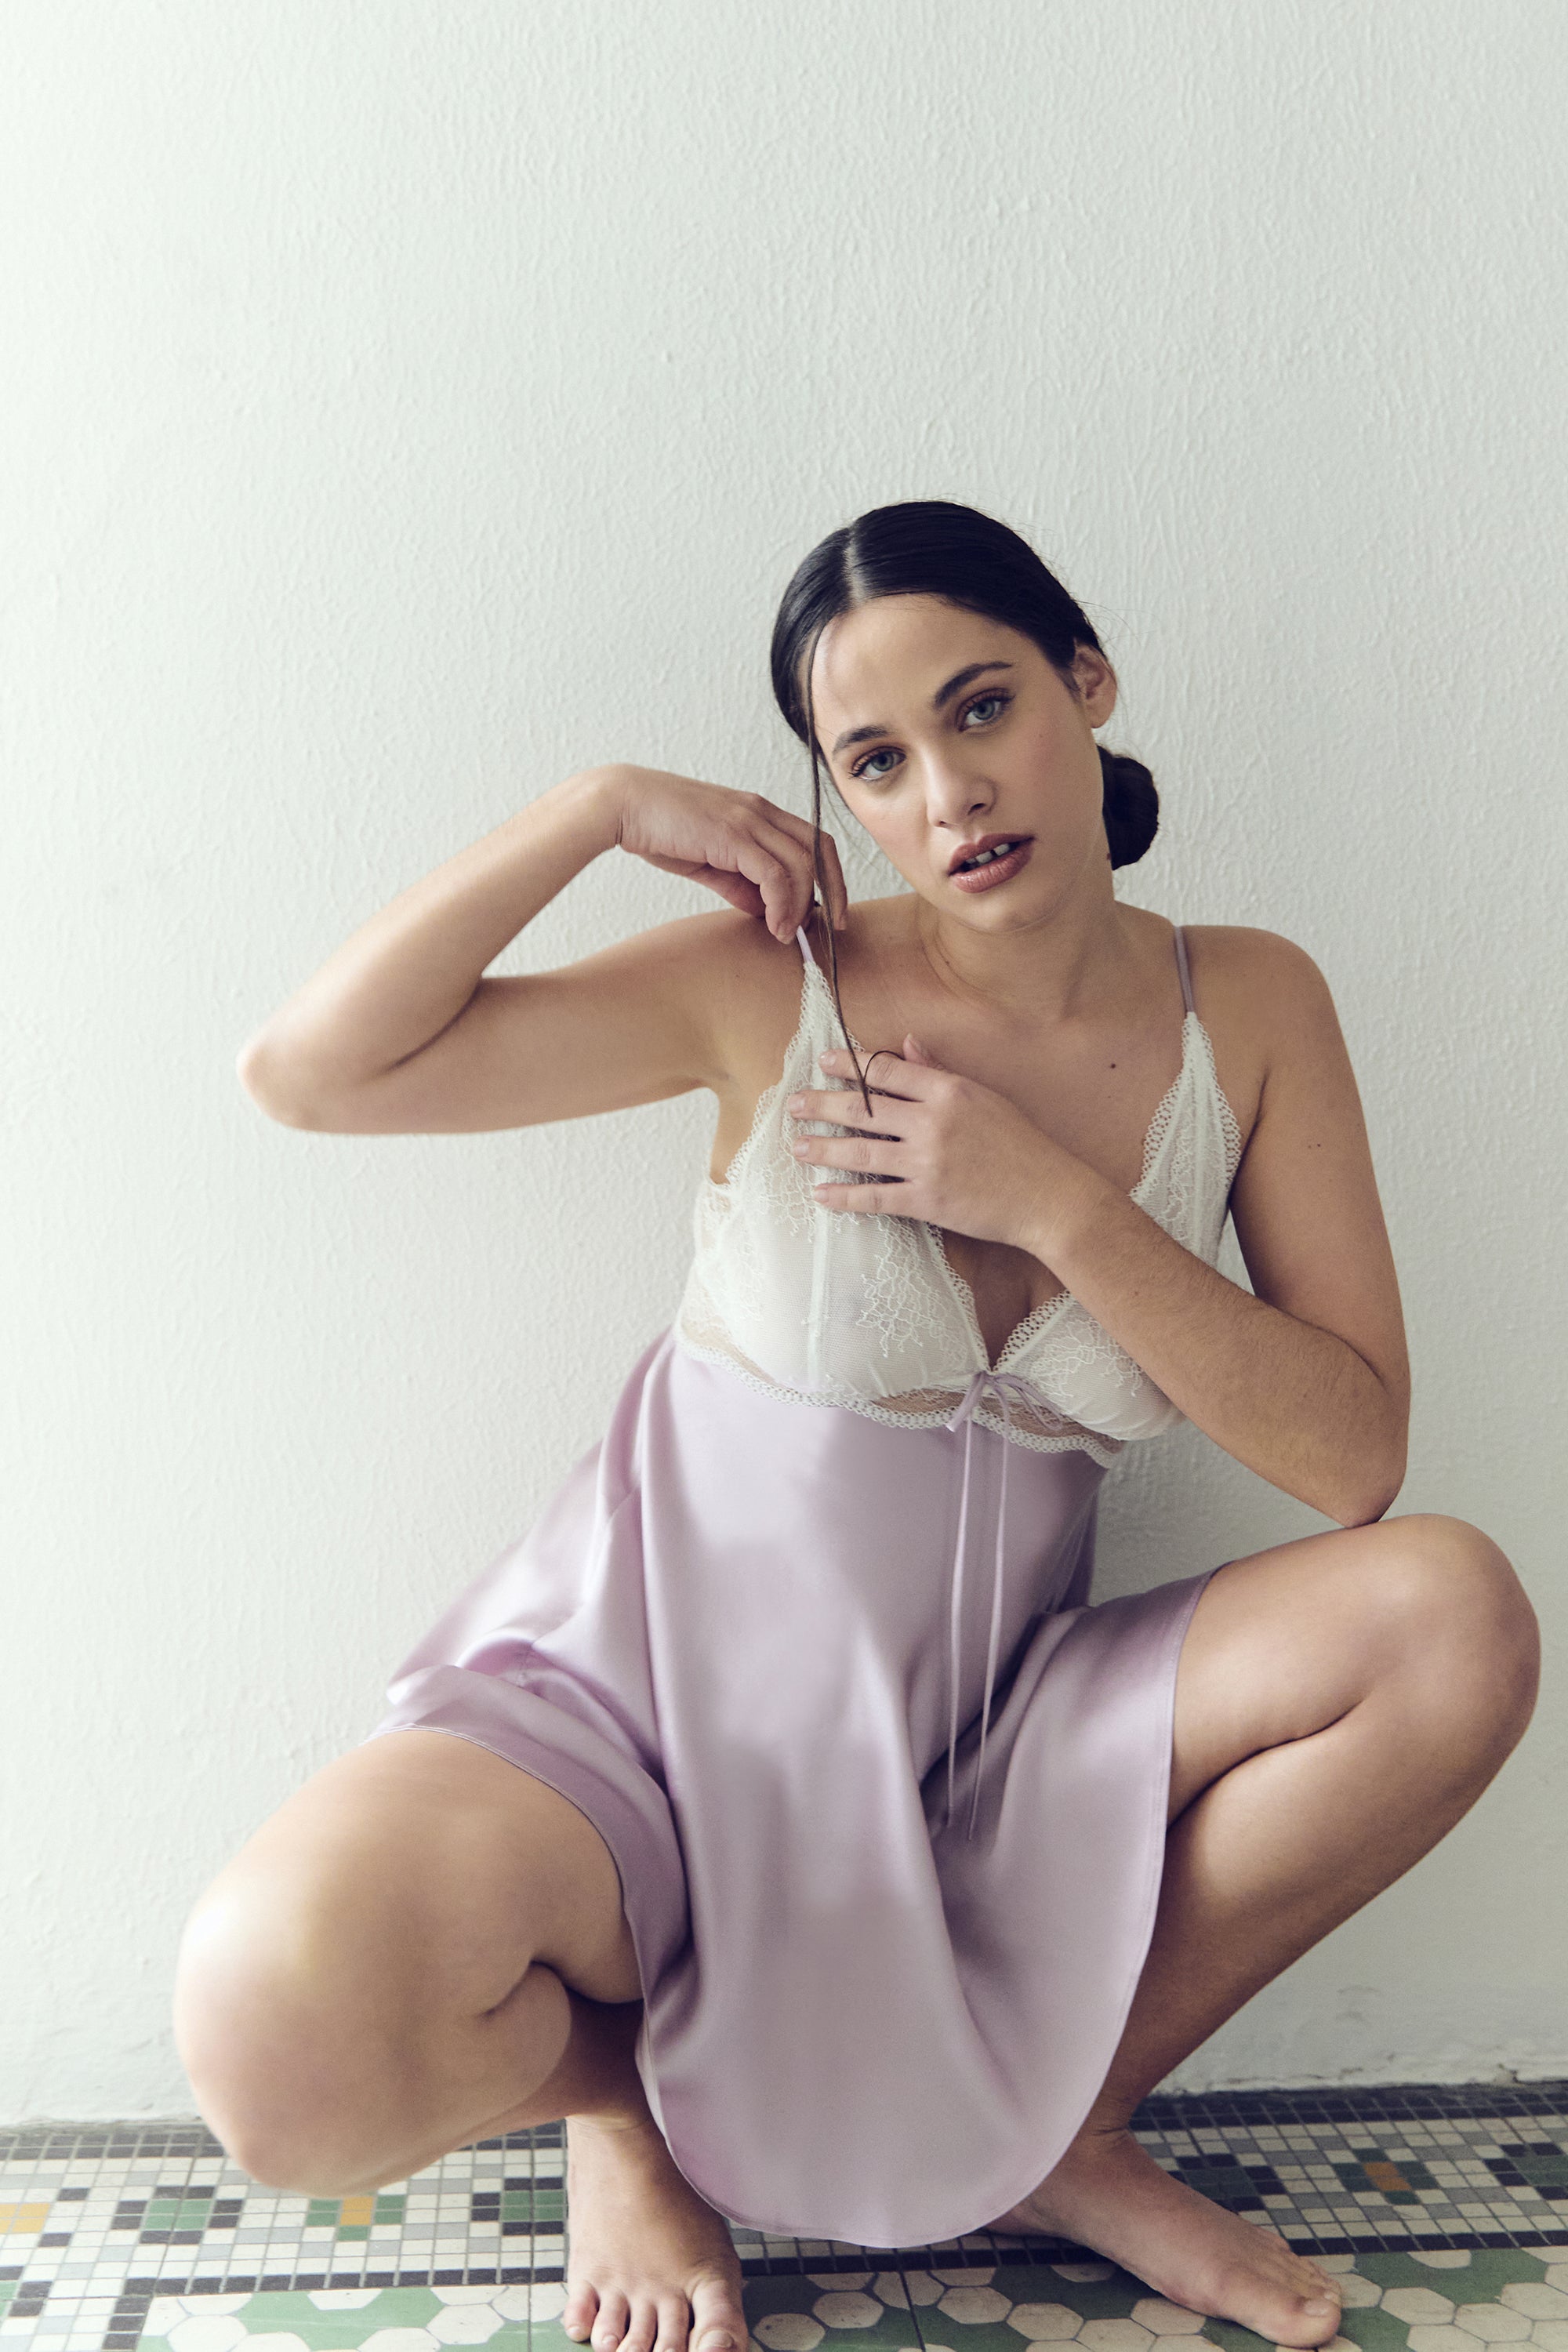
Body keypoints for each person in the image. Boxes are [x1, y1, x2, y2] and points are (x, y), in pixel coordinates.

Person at [173, 500, 1540, 2352]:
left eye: (982, 708)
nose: (950, 792)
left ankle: (1047, 2129)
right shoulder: (773, 987)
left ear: (1086, 682)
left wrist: (1054, 1203)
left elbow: (1351, 1455)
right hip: (638, 1736)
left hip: (983, 1742)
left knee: (1452, 1618)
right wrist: (594, 808)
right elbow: (310, 1076)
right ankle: (631, 2111)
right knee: (279, 2031)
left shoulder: (1251, 1002)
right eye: (875, 760)